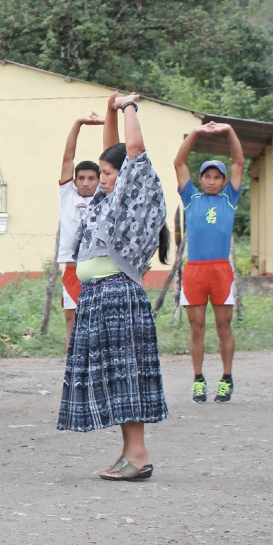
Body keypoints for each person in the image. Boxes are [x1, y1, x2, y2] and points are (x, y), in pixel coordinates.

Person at [60, 93, 171, 480]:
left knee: (127, 376)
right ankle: (130, 453)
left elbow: (133, 149)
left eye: (108, 173)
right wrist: (109, 111)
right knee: (115, 378)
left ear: (125, 175)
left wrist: (127, 106)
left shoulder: (134, 193)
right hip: (98, 297)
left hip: (118, 295)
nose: (101, 179)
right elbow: (115, 150)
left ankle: (138, 456)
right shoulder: (106, 200)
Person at [173, 122, 244, 404]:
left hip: (220, 270)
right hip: (195, 271)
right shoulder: (191, 198)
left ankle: (226, 378)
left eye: (217, 177)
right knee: (197, 327)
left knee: (223, 326)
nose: (212, 181)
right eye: (207, 176)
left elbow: (238, 160)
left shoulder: (230, 198)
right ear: (200, 180)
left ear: (224, 181)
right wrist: (196, 133)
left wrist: (228, 131)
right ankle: (198, 379)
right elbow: (179, 161)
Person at [58, 113, 105, 348]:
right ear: (74, 181)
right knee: (73, 323)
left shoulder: (104, 198)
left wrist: (109, 123)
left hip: (98, 266)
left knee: (98, 324)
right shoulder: (68, 196)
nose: (86, 182)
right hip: (73, 267)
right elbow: (68, 157)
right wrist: (78, 123)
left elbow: (114, 159)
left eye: (91, 178)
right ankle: (73, 376)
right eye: (81, 178)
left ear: (100, 180)